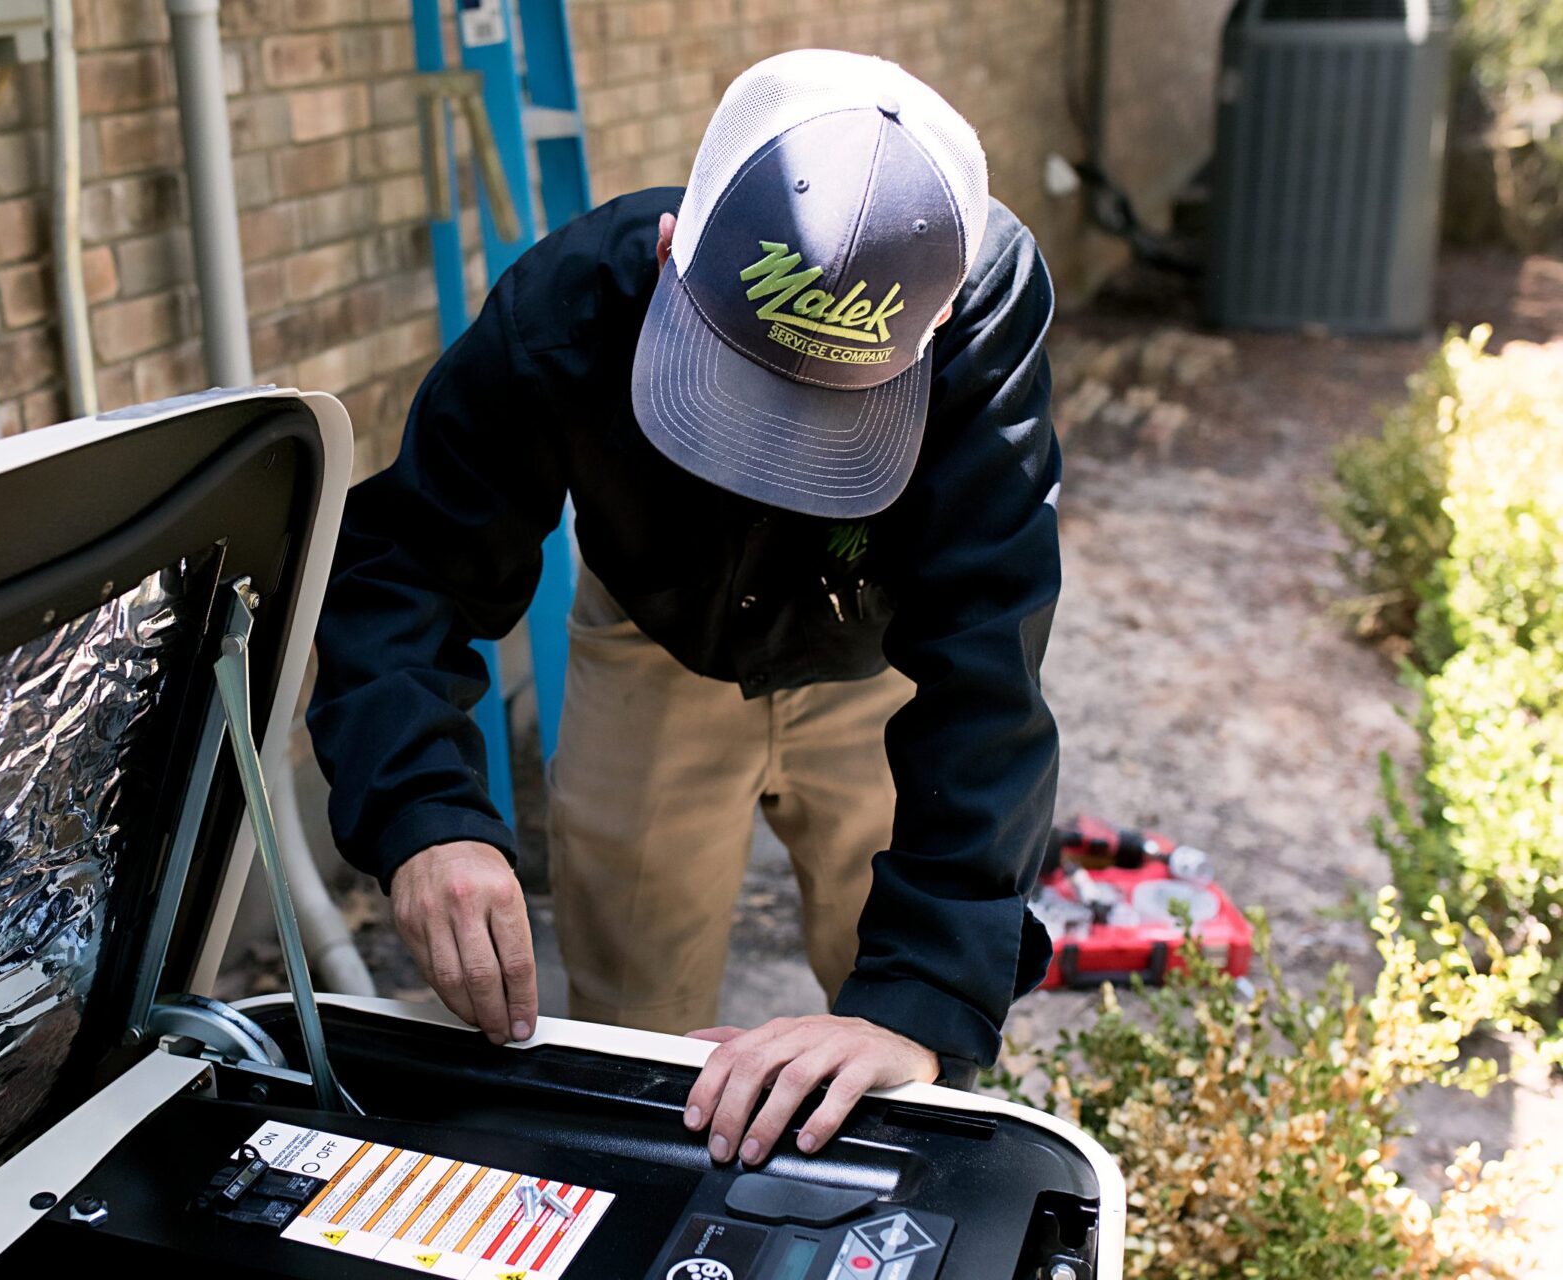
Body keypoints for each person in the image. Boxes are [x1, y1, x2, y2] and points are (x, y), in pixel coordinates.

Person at [308, 49, 1060, 1167]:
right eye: (738, 387)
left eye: (827, 418)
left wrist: (920, 1003)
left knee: (903, 1047)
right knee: (631, 1031)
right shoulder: (567, 307)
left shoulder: (983, 312)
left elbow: (989, 651)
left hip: (875, 661)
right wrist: (424, 814)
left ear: (936, 319)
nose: (774, 462)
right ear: (672, 249)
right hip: (650, 641)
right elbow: (408, 565)